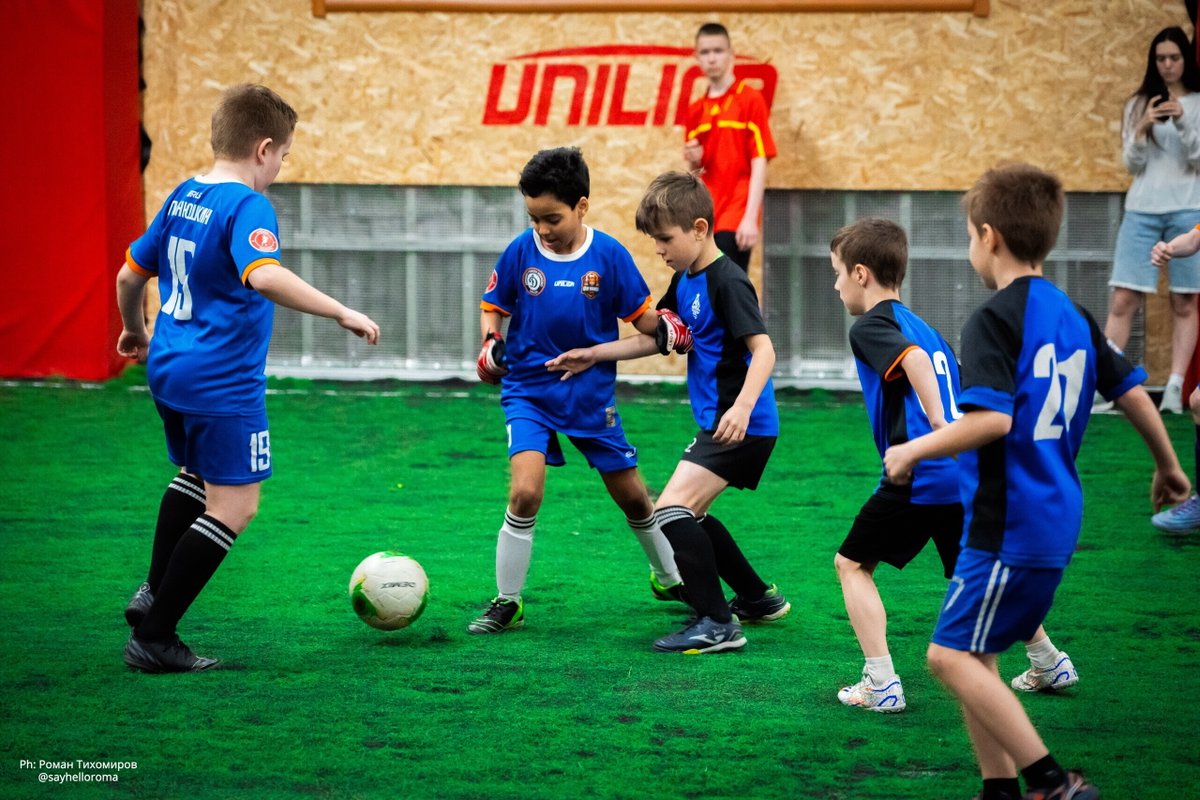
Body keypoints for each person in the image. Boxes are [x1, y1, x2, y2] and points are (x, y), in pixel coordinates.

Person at [883, 163, 1189, 800]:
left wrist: (913, 448)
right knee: (980, 656)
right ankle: (999, 790)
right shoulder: (1073, 313)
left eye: (969, 235)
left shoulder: (993, 319)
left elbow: (992, 420)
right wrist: (1169, 464)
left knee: (947, 657)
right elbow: (1132, 391)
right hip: (1052, 516)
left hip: (1009, 521)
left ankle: (1053, 783)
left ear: (988, 236)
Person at [115, 84, 381, 673]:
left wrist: (134, 331)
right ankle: (155, 637)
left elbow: (129, 276)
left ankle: (153, 592)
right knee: (235, 506)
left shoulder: (183, 194)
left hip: (169, 368)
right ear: (264, 149)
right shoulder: (248, 205)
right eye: (283, 155)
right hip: (221, 380)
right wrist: (340, 310)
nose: (281, 166)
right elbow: (263, 275)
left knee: (195, 473)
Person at [831, 219, 1081, 713]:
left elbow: (915, 363)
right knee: (980, 571)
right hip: (958, 475)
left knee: (852, 564)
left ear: (860, 274)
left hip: (919, 473)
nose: (835, 285)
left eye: (837, 272)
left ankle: (881, 682)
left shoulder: (873, 326)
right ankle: (1048, 659)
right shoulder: (926, 327)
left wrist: (938, 424)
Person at [548, 171, 788, 654]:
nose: (659, 249)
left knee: (671, 511)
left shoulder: (728, 281)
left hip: (740, 424)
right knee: (690, 512)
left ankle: (716, 623)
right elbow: (656, 337)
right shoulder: (685, 280)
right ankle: (756, 598)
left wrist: (742, 408)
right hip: (723, 422)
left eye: (665, 239)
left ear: (699, 229)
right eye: (655, 240)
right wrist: (592, 353)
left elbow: (764, 350)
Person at [468, 146, 683, 635]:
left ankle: (669, 578)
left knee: (634, 498)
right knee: (525, 493)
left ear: (581, 206)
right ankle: (508, 601)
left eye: (552, 218)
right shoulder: (520, 251)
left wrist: (671, 326)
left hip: (589, 397)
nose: (542, 229)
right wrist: (490, 343)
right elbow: (493, 306)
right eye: (534, 218)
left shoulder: (609, 256)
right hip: (528, 391)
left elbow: (644, 322)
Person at [1103, 26, 1200, 414]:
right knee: (1124, 297)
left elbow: (1198, 160)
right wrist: (1143, 126)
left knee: (1185, 300)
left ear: (1185, 59)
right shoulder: (1138, 103)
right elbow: (1132, 164)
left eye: (1174, 57)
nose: (1167, 65)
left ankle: (1174, 388)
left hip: (1189, 209)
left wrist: (1182, 121)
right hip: (1142, 209)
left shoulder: (1197, 102)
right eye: (1161, 58)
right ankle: (1105, 384)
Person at [682, 22, 776, 272]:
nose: (712, 58)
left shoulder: (750, 99)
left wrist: (750, 218)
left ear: (731, 54)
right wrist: (693, 159)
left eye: (718, 50)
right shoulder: (695, 110)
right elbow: (695, 172)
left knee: (726, 279)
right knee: (703, 282)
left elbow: (760, 160)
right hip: (706, 211)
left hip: (736, 210)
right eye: (705, 52)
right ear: (697, 57)